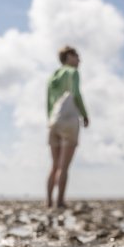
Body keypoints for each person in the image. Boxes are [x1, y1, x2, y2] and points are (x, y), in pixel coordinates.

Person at [45, 45, 89, 209]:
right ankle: (60, 201)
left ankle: (49, 201)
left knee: (54, 165)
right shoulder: (72, 72)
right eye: (76, 56)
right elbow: (76, 94)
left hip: (53, 121)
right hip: (69, 120)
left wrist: (50, 120)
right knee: (64, 166)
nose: (79, 60)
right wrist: (84, 114)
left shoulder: (53, 77)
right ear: (68, 57)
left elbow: (48, 103)